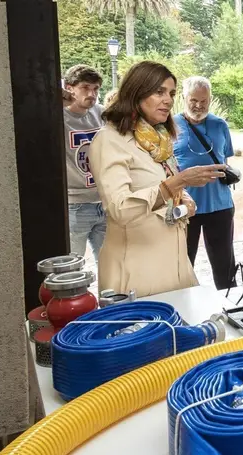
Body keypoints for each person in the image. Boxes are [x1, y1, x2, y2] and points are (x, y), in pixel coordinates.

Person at [89, 61, 227, 298]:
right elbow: (119, 209)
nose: (168, 100)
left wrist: (183, 198)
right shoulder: (109, 140)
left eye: (172, 93)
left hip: (175, 265)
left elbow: (164, 183)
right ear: (136, 92)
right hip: (136, 272)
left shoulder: (160, 139)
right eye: (159, 92)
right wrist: (178, 182)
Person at [173, 76, 237, 290]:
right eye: (193, 100)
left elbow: (224, 159)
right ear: (184, 98)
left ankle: (231, 307)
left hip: (220, 205)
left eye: (204, 101)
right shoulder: (170, 125)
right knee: (182, 264)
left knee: (225, 265)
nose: (199, 106)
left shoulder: (220, 125)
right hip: (184, 206)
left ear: (210, 99)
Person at [63, 65, 106, 263]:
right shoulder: (58, 116)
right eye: (85, 88)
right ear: (70, 87)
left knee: (110, 267)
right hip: (74, 205)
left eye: (96, 89)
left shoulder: (102, 114)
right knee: (71, 267)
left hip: (103, 201)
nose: (92, 94)